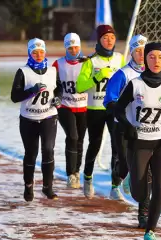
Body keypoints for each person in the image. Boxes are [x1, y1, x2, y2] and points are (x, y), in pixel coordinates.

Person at [115, 42, 161, 240]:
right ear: (145, 59)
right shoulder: (135, 85)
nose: (156, 61)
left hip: (160, 144)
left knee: (159, 188)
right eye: (151, 57)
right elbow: (117, 109)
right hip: (139, 144)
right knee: (139, 194)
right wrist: (127, 126)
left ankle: (151, 230)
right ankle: (132, 178)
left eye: (160, 57)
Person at [104, 34, 151, 225]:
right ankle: (119, 172)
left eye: (144, 51)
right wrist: (122, 116)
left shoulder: (152, 74)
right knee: (124, 164)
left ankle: (143, 215)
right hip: (122, 127)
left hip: (144, 129)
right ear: (131, 52)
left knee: (144, 170)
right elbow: (109, 100)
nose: (141, 54)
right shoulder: (122, 74)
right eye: (137, 51)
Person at [76, 25, 125, 199]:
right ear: (99, 41)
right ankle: (88, 177)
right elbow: (79, 86)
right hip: (95, 108)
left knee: (117, 147)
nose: (109, 40)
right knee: (94, 144)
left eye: (112, 37)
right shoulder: (91, 61)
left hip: (114, 109)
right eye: (105, 38)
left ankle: (115, 186)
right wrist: (97, 76)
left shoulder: (120, 59)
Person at [11, 38, 63, 202]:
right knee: (31, 153)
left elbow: (59, 88)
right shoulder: (23, 71)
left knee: (48, 150)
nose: (39, 55)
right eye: (35, 52)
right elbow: (14, 97)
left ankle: (48, 187)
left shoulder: (52, 71)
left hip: (48, 116)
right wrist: (31, 91)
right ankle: (28, 186)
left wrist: (58, 99)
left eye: (41, 52)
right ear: (29, 53)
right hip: (28, 118)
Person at [52, 33, 87, 189]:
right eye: (70, 47)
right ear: (66, 47)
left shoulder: (88, 62)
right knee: (72, 137)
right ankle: (70, 174)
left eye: (76, 47)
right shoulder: (58, 64)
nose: (73, 50)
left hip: (85, 107)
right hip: (66, 107)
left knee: (80, 139)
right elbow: (53, 84)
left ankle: (77, 171)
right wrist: (55, 99)